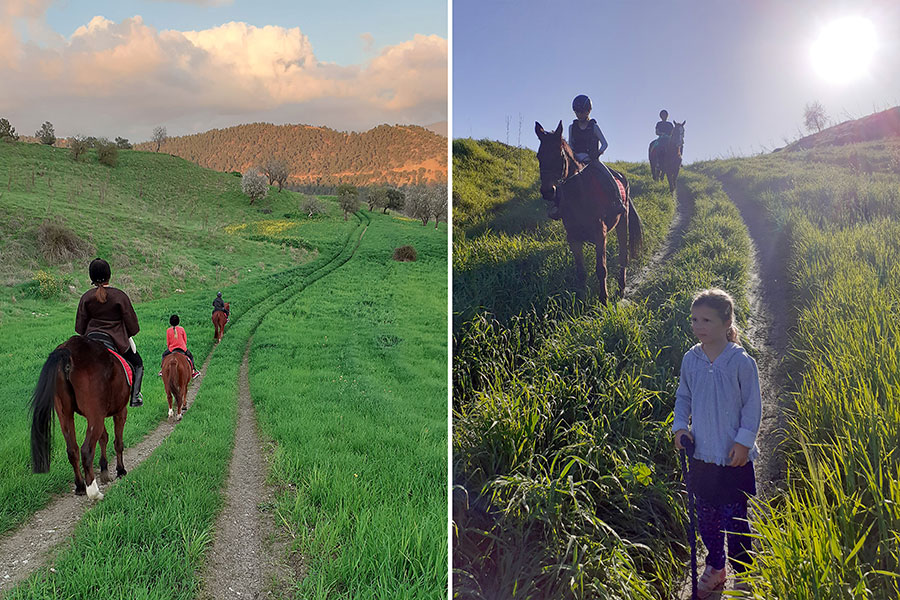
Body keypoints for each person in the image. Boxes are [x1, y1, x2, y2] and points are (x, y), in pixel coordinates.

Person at [672, 289, 761, 597]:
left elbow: (752, 406)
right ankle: (716, 566)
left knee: (735, 520)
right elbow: (683, 396)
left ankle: (743, 571)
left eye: (706, 320)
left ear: (726, 322)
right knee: (707, 519)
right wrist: (680, 427)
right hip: (702, 455)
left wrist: (744, 442)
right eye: (694, 319)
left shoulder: (740, 362)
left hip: (733, 457)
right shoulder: (691, 359)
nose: (698, 326)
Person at [75, 258, 144, 407]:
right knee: (138, 364)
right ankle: (135, 397)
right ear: (109, 275)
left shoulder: (86, 297)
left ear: (91, 277)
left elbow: (80, 328)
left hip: (91, 340)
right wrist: (128, 333)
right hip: (116, 340)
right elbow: (133, 326)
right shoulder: (120, 296)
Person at [550, 94, 625, 222]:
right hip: (577, 160)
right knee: (563, 180)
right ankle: (557, 206)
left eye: (582, 111)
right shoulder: (572, 127)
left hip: (592, 160)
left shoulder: (594, 127)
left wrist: (597, 153)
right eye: (577, 112)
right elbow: (571, 145)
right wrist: (572, 156)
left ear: (588, 111)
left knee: (607, 176)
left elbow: (605, 143)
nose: (579, 114)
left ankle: (617, 201)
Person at [159, 314, 200, 379]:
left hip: (172, 349)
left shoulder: (168, 330)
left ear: (170, 322)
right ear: (178, 321)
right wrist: (183, 346)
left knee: (163, 355)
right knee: (191, 357)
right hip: (182, 348)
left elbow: (168, 342)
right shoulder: (182, 329)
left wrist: (170, 347)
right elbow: (185, 340)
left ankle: (162, 370)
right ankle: (193, 372)